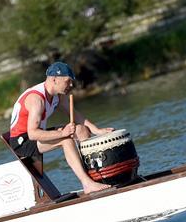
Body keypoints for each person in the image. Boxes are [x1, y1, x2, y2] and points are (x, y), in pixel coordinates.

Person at [8, 62, 113, 194]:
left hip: (37, 134)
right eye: (67, 81)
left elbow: (75, 115)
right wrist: (63, 133)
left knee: (81, 130)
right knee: (66, 139)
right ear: (54, 79)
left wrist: (97, 130)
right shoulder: (36, 99)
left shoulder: (58, 95)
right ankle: (87, 184)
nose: (71, 85)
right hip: (23, 142)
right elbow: (33, 134)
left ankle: (94, 176)